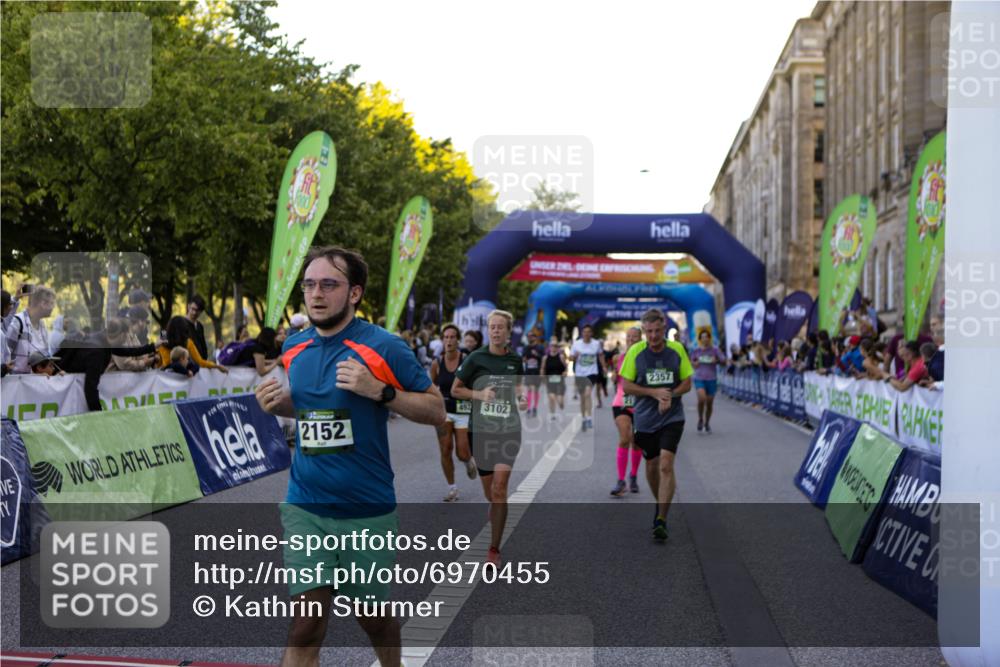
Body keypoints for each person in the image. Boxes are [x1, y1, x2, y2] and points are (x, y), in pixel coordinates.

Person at [254, 245, 445, 667]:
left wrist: (381, 391)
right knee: (306, 622)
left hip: (367, 509)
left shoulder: (384, 346)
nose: (316, 294)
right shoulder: (295, 347)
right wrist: (278, 403)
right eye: (309, 285)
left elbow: (437, 410)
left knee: (373, 619)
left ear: (354, 293)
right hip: (307, 503)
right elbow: (309, 407)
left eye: (328, 284)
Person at [452, 309, 527, 566]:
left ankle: (494, 548)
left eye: (500, 327)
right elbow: (456, 390)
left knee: (500, 488)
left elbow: (518, 388)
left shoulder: (516, 361)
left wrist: (522, 397)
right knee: (490, 492)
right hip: (480, 431)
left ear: (508, 332)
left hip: (508, 430)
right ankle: (494, 509)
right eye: (492, 327)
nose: (495, 331)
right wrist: (480, 395)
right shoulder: (475, 358)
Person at [621, 308, 693, 541]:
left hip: (672, 417)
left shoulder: (677, 350)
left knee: (665, 464)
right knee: (652, 467)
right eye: (649, 332)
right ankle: (660, 502)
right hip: (644, 419)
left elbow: (687, 383)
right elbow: (627, 386)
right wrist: (653, 393)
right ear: (644, 331)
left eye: (657, 331)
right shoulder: (636, 352)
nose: (653, 336)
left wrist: (669, 395)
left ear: (664, 329)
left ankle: (661, 518)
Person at [57, 318, 158, 411]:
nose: (126, 340)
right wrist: (99, 414)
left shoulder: (103, 339)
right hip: (71, 396)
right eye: (127, 336)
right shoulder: (97, 352)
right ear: (122, 335)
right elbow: (90, 387)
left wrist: (153, 346)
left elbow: (128, 351)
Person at [430, 323, 477, 502]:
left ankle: (468, 460)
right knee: (445, 448)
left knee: (462, 453)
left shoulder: (466, 360)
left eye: (452, 337)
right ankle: (452, 488)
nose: (449, 341)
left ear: (458, 340)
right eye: (446, 337)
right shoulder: (437, 363)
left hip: (463, 411)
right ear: (442, 340)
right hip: (444, 412)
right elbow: (431, 386)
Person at [610, 326, 643, 496]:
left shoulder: (645, 358)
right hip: (621, 401)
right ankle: (621, 480)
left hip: (641, 404)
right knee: (625, 438)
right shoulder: (619, 358)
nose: (631, 339)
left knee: (637, 441)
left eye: (634, 337)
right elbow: (615, 378)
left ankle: (634, 476)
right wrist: (614, 377)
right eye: (628, 336)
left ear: (641, 339)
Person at [5, 285, 56, 374]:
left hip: (34, 385)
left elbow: (44, 361)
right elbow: (3, 357)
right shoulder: (17, 323)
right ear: (42, 303)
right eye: (51, 303)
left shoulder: (43, 327)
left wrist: (55, 373)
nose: (53, 307)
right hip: (15, 386)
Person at [157, 315, 228, 372]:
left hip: (165, 379)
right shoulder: (187, 342)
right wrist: (217, 366)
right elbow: (200, 362)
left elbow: (161, 362)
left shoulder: (163, 340)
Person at [691, 329, 726, 434]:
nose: (705, 339)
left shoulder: (715, 350)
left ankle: (707, 422)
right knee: (702, 399)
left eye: (707, 337)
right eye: (703, 337)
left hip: (711, 379)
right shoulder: (696, 351)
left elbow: (724, 361)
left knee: (709, 403)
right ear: (700, 339)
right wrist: (695, 364)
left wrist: (717, 361)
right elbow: (691, 361)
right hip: (699, 378)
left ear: (709, 338)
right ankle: (700, 419)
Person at [571, 324, 604, 431]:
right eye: (584, 332)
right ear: (582, 333)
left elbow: (601, 355)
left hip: (592, 372)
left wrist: (603, 366)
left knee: (587, 393)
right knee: (582, 398)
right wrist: (574, 356)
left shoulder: (596, 344)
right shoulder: (576, 344)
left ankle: (589, 417)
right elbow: (570, 358)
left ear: (591, 333)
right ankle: (584, 418)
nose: (586, 334)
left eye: (588, 332)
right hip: (580, 373)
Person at [107, 306, 158, 372]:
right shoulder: (121, 337)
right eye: (147, 322)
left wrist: (152, 358)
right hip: (111, 380)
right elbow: (125, 365)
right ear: (140, 322)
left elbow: (140, 356)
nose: (146, 325)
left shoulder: (134, 337)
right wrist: (145, 362)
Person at [540, 336, 567, 419]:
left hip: (560, 381)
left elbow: (566, 367)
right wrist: (542, 376)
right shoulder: (545, 358)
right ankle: (552, 413)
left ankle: (561, 404)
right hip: (549, 381)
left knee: (560, 401)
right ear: (549, 347)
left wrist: (565, 372)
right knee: (551, 398)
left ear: (557, 348)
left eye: (555, 346)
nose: (553, 347)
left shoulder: (561, 357)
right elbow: (542, 368)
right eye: (552, 346)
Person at [521, 329, 545, 418]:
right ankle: (529, 408)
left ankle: (534, 407)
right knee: (530, 389)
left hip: (537, 371)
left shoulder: (540, 347)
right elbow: (523, 358)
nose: (530, 337)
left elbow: (544, 359)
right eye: (528, 336)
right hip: (528, 371)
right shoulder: (526, 348)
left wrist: (537, 355)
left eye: (532, 336)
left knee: (535, 390)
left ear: (535, 337)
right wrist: (524, 360)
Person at [185, 295, 210, 360]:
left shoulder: (199, 326)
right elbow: (164, 330)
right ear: (188, 306)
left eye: (198, 310)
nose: (194, 313)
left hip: (201, 364)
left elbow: (203, 345)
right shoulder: (180, 322)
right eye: (193, 309)